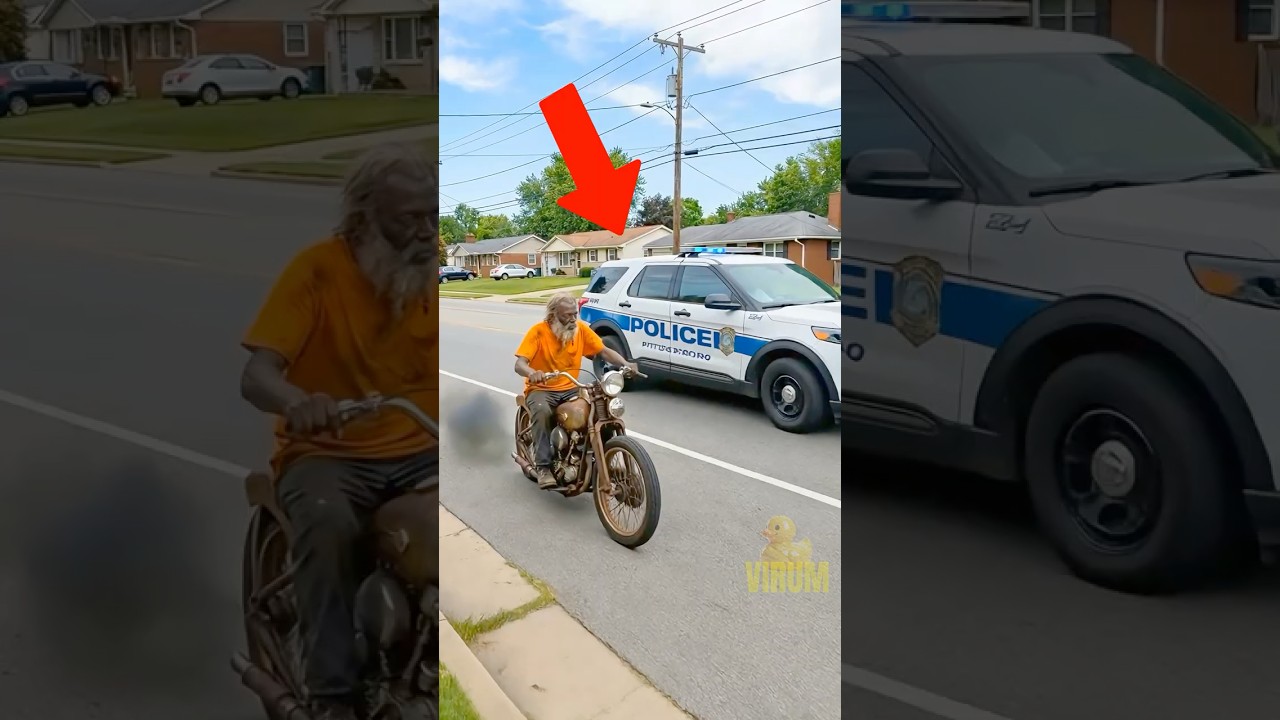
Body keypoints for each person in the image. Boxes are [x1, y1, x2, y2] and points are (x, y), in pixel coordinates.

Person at [238, 142, 439, 720]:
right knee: (326, 523)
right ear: (366, 218)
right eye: (410, 219)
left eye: (433, 215)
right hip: (329, 452)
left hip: (421, 446)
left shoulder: (428, 276)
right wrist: (298, 402)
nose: (427, 232)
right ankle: (331, 698)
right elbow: (257, 375)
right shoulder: (317, 271)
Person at [514, 292, 636, 489]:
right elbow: (519, 364)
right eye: (567, 315)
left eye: (575, 314)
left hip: (571, 387)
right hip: (541, 388)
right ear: (553, 315)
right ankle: (543, 467)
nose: (573, 319)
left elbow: (603, 351)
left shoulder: (580, 330)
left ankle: (599, 457)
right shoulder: (538, 332)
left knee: (597, 411)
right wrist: (532, 372)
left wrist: (625, 364)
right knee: (542, 412)